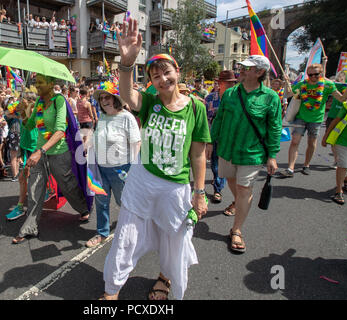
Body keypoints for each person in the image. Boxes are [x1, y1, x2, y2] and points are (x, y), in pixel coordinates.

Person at [100, 19, 210, 301]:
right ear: (151, 81)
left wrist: (200, 193)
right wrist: (126, 63)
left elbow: (198, 154)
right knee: (126, 234)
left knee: (175, 238)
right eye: (156, 76)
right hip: (142, 180)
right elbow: (126, 96)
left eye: (167, 72)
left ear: (177, 72)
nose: (162, 79)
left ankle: (166, 277)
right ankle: (112, 290)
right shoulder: (150, 100)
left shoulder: (196, 108)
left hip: (175, 186)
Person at [207, 55, 282, 254]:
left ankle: (237, 230)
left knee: (243, 187)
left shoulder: (270, 97)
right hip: (227, 150)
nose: (242, 70)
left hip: (252, 153)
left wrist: (272, 155)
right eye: (242, 66)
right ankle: (240, 200)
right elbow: (219, 119)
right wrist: (209, 142)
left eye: (248, 68)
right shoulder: (230, 93)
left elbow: (274, 128)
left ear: (259, 72)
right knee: (231, 180)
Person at [11, 74, 91, 244]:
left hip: (58, 152)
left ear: (51, 84)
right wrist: (22, 114)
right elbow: (30, 125)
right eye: (36, 82)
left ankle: (82, 208)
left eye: (40, 83)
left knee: (67, 185)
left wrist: (41, 150)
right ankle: (29, 227)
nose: (37, 86)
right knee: (34, 189)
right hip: (39, 153)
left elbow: (60, 130)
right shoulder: (39, 103)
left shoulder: (59, 101)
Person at [85, 81, 141, 248]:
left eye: (107, 97)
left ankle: (132, 231)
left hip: (121, 169)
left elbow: (136, 143)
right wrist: (88, 142)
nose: (103, 101)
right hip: (99, 168)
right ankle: (102, 232)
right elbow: (96, 136)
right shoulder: (102, 117)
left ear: (116, 99)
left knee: (124, 203)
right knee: (101, 202)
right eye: (101, 98)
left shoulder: (127, 117)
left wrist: (134, 170)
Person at [278, 63, 347, 178]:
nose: (313, 77)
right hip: (301, 117)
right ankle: (290, 168)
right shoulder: (302, 84)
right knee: (294, 141)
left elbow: (342, 99)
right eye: (310, 74)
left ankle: (306, 165)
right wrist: (286, 84)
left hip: (316, 119)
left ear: (321, 73)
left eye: (316, 74)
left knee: (311, 143)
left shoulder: (328, 85)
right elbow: (288, 94)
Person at [205, 70, 238, 206]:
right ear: (219, 83)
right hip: (215, 137)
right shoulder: (210, 98)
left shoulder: (237, 99)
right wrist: (208, 141)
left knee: (227, 170)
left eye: (232, 83)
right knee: (215, 165)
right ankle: (218, 190)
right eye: (226, 83)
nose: (229, 86)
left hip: (231, 139)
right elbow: (206, 120)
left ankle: (225, 189)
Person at [6, 93, 38, 220]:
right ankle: (21, 206)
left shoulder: (37, 113)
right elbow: (6, 115)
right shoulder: (22, 112)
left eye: (31, 101)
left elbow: (30, 126)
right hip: (25, 148)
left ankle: (21, 207)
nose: (28, 104)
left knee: (24, 177)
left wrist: (24, 112)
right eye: (26, 101)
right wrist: (15, 109)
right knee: (24, 177)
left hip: (35, 149)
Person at [322, 99, 347, 205]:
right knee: (343, 165)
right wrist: (326, 136)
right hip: (343, 140)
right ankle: (339, 191)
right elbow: (336, 120)